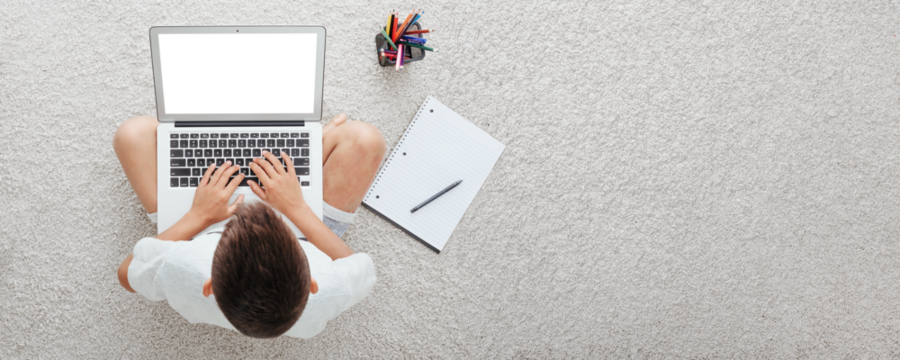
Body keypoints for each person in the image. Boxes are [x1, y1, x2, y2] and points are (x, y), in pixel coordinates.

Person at [112, 114, 386, 338]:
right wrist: (297, 208)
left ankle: (294, 152)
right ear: (312, 283)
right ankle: (302, 153)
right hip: (303, 228)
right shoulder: (331, 288)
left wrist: (199, 216)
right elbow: (356, 263)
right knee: (366, 140)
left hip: (200, 227)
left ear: (209, 287)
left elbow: (126, 274)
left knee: (132, 134)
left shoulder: (182, 265)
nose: (251, 209)